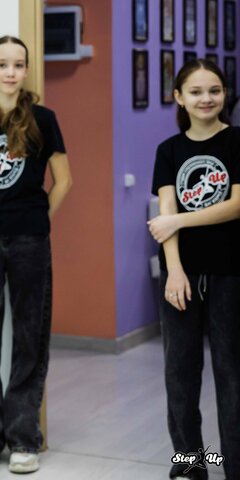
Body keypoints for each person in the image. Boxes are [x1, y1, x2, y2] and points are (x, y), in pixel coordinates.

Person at [0, 36, 72, 474]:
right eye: (2, 64)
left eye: (18, 64)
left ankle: (24, 438)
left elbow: (64, 180)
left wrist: (38, 217)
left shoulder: (44, 119)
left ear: (26, 70)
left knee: (30, 335)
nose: (10, 72)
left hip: (30, 239)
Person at [148, 59, 240, 480]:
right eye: (197, 91)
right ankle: (191, 464)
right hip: (182, 275)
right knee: (180, 376)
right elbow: (166, 210)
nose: (207, 99)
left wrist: (179, 221)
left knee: (232, 376)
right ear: (179, 98)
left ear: (225, 94)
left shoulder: (236, 141)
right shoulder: (168, 150)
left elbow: (236, 205)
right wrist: (174, 271)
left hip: (230, 273)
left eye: (214, 90)